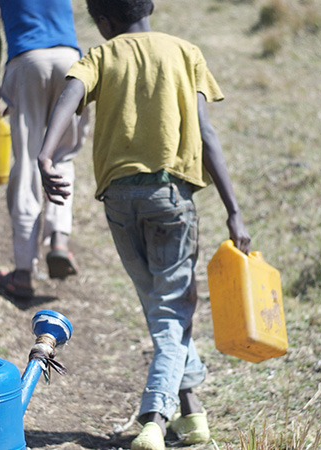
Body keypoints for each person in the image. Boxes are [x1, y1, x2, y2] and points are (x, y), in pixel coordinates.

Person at [36, 0, 251, 448]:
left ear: (102, 21)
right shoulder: (185, 53)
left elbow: (69, 96)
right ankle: (154, 418)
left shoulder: (100, 56)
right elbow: (206, 133)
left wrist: (45, 153)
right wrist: (233, 208)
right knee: (172, 310)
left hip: (118, 198)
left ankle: (191, 417)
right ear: (149, 6)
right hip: (171, 197)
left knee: (161, 308)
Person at [0, 0, 91, 298]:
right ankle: (59, 241)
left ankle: (23, 271)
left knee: (29, 162)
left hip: (26, 60)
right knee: (63, 154)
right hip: (70, 60)